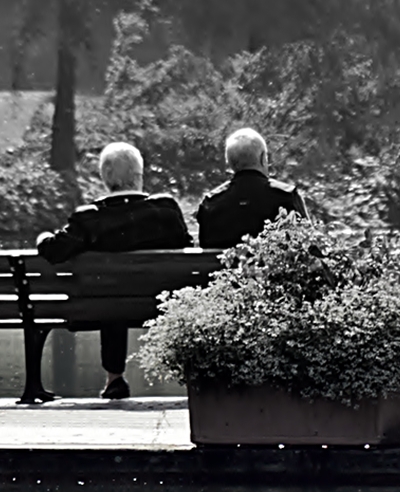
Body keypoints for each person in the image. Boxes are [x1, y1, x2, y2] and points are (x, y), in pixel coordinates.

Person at [37, 142, 191, 400]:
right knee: (121, 290)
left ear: (105, 178)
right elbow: (186, 249)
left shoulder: (88, 219)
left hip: (105, 308)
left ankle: (114, 379)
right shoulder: (164, 210)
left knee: (112, 293)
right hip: (160, 306)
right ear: (139, 176)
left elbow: (54, 251)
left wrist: (43, 237)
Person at [195, 128, 308, 249]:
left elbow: (205, 246)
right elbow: (308, 243)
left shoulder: (211, 203)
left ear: (229, 163)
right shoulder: (287, 197)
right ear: (263, 158)